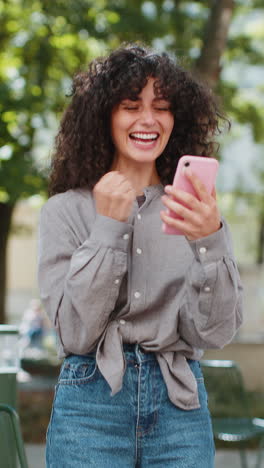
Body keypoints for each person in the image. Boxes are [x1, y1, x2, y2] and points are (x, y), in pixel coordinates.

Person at [38, 43, 243, 468]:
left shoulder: (196, 212)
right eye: (131, 105)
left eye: (162, 106)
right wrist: (109, 228)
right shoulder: (66, 211)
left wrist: (210, 241)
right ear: (105, 117)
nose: (148, 119)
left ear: (176, 118)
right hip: (89, 403)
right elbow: (76, 334)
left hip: (178, 406)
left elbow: (216, 331)